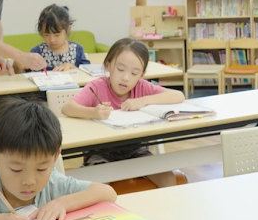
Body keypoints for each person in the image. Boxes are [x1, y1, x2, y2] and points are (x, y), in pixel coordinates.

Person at [62, 38, 185, 188]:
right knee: (99, 185)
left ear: (142, 75)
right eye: (120, 69)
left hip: (135, 151)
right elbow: (67, 107)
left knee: (166, 177)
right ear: (108, 65)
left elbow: (178, 95)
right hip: (100, 152)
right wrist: (93, 112)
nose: (126, 78)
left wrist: (142, 101)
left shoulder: (141, 87)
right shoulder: (97, 86)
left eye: (134, 73)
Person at [19, 4, 90, 72]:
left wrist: (71, 67)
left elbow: (87, 73)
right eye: (46, 34)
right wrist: (18, 66)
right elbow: (25, 75)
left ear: (68, 30)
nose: (52, 40)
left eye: (57, 35)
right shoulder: (37, 52)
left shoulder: (77, 50)